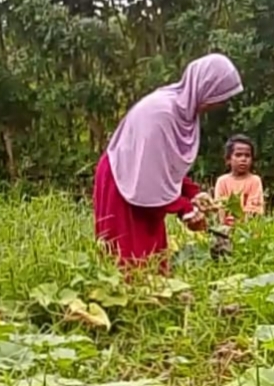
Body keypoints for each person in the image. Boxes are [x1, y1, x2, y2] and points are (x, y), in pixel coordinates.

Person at [93, 53, 244, 273]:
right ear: (204, 87)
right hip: (123, 180)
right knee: (126, 261)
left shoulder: (184, 113)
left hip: (142, 181)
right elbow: (148, 172)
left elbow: (163, 165)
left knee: (153, 261)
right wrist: (184, 209)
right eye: (219, 97)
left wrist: (192, 193)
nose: (219, 104)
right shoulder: (162, 112)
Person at [214, 134, 264, 224]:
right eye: (238, 155)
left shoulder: (255, 181)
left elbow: (255, 210)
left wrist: (239, 221)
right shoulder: (222, 181)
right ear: (228, 159)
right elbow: (219, 207)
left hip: (248, 227)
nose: (243, 159)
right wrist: (225, 221)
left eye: (247, 155)